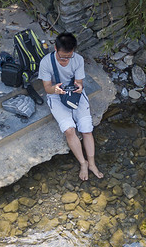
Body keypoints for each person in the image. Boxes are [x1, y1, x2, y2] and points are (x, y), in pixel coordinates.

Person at [38, 32, 102, 181]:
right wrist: (55, 89)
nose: (65, 60)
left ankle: (92, 163)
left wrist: (79, 86)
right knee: (69, 130)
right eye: (62, 57)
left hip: (74, 93)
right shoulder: (46, 62)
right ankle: (83, 163)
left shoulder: (78, 59)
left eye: (68, 57)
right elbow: (47, 87)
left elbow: (79, 82)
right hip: (56, 93)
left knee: (86, 129)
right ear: (55, 48)